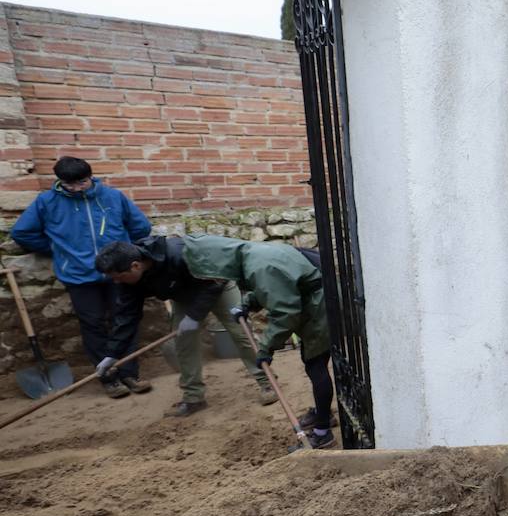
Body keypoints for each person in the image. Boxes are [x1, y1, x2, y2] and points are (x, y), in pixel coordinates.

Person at [9, 156, 152, 398]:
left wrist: (124, 252)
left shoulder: (112, 197)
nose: (76, 188)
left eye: (82, 182)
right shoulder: (47, 202)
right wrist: (56, 249)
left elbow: (141, 227)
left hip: (117, 272)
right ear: (60, 182)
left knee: (124, 320)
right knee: (93, 324)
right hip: (78, 275)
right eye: (70, 184)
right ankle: (108, 377)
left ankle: (130, 373)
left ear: (91, 177)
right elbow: (22, 232)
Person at [179, 235, 337, 449]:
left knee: (316, 366)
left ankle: (322, 432)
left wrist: (266, 348)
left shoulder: (259, 265)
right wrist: (247, 304)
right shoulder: (253, 255)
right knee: (312, 363)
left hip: (319, 307)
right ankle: (322, 414)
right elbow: (273, 288)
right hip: (313, 301)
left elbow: (285, 312)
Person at [96, 238, 280, 416]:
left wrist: (194, 317)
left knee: (240, 332)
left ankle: (267, 382)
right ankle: (194, 398)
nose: (116, 282)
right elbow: (126, 316)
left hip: (217, 283)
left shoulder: (179, 254)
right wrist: (113, 353)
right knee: (183, 343)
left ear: (135, 265)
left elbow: (214, 280)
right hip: (184, 295)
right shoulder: (128, 281)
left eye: (119, 277)